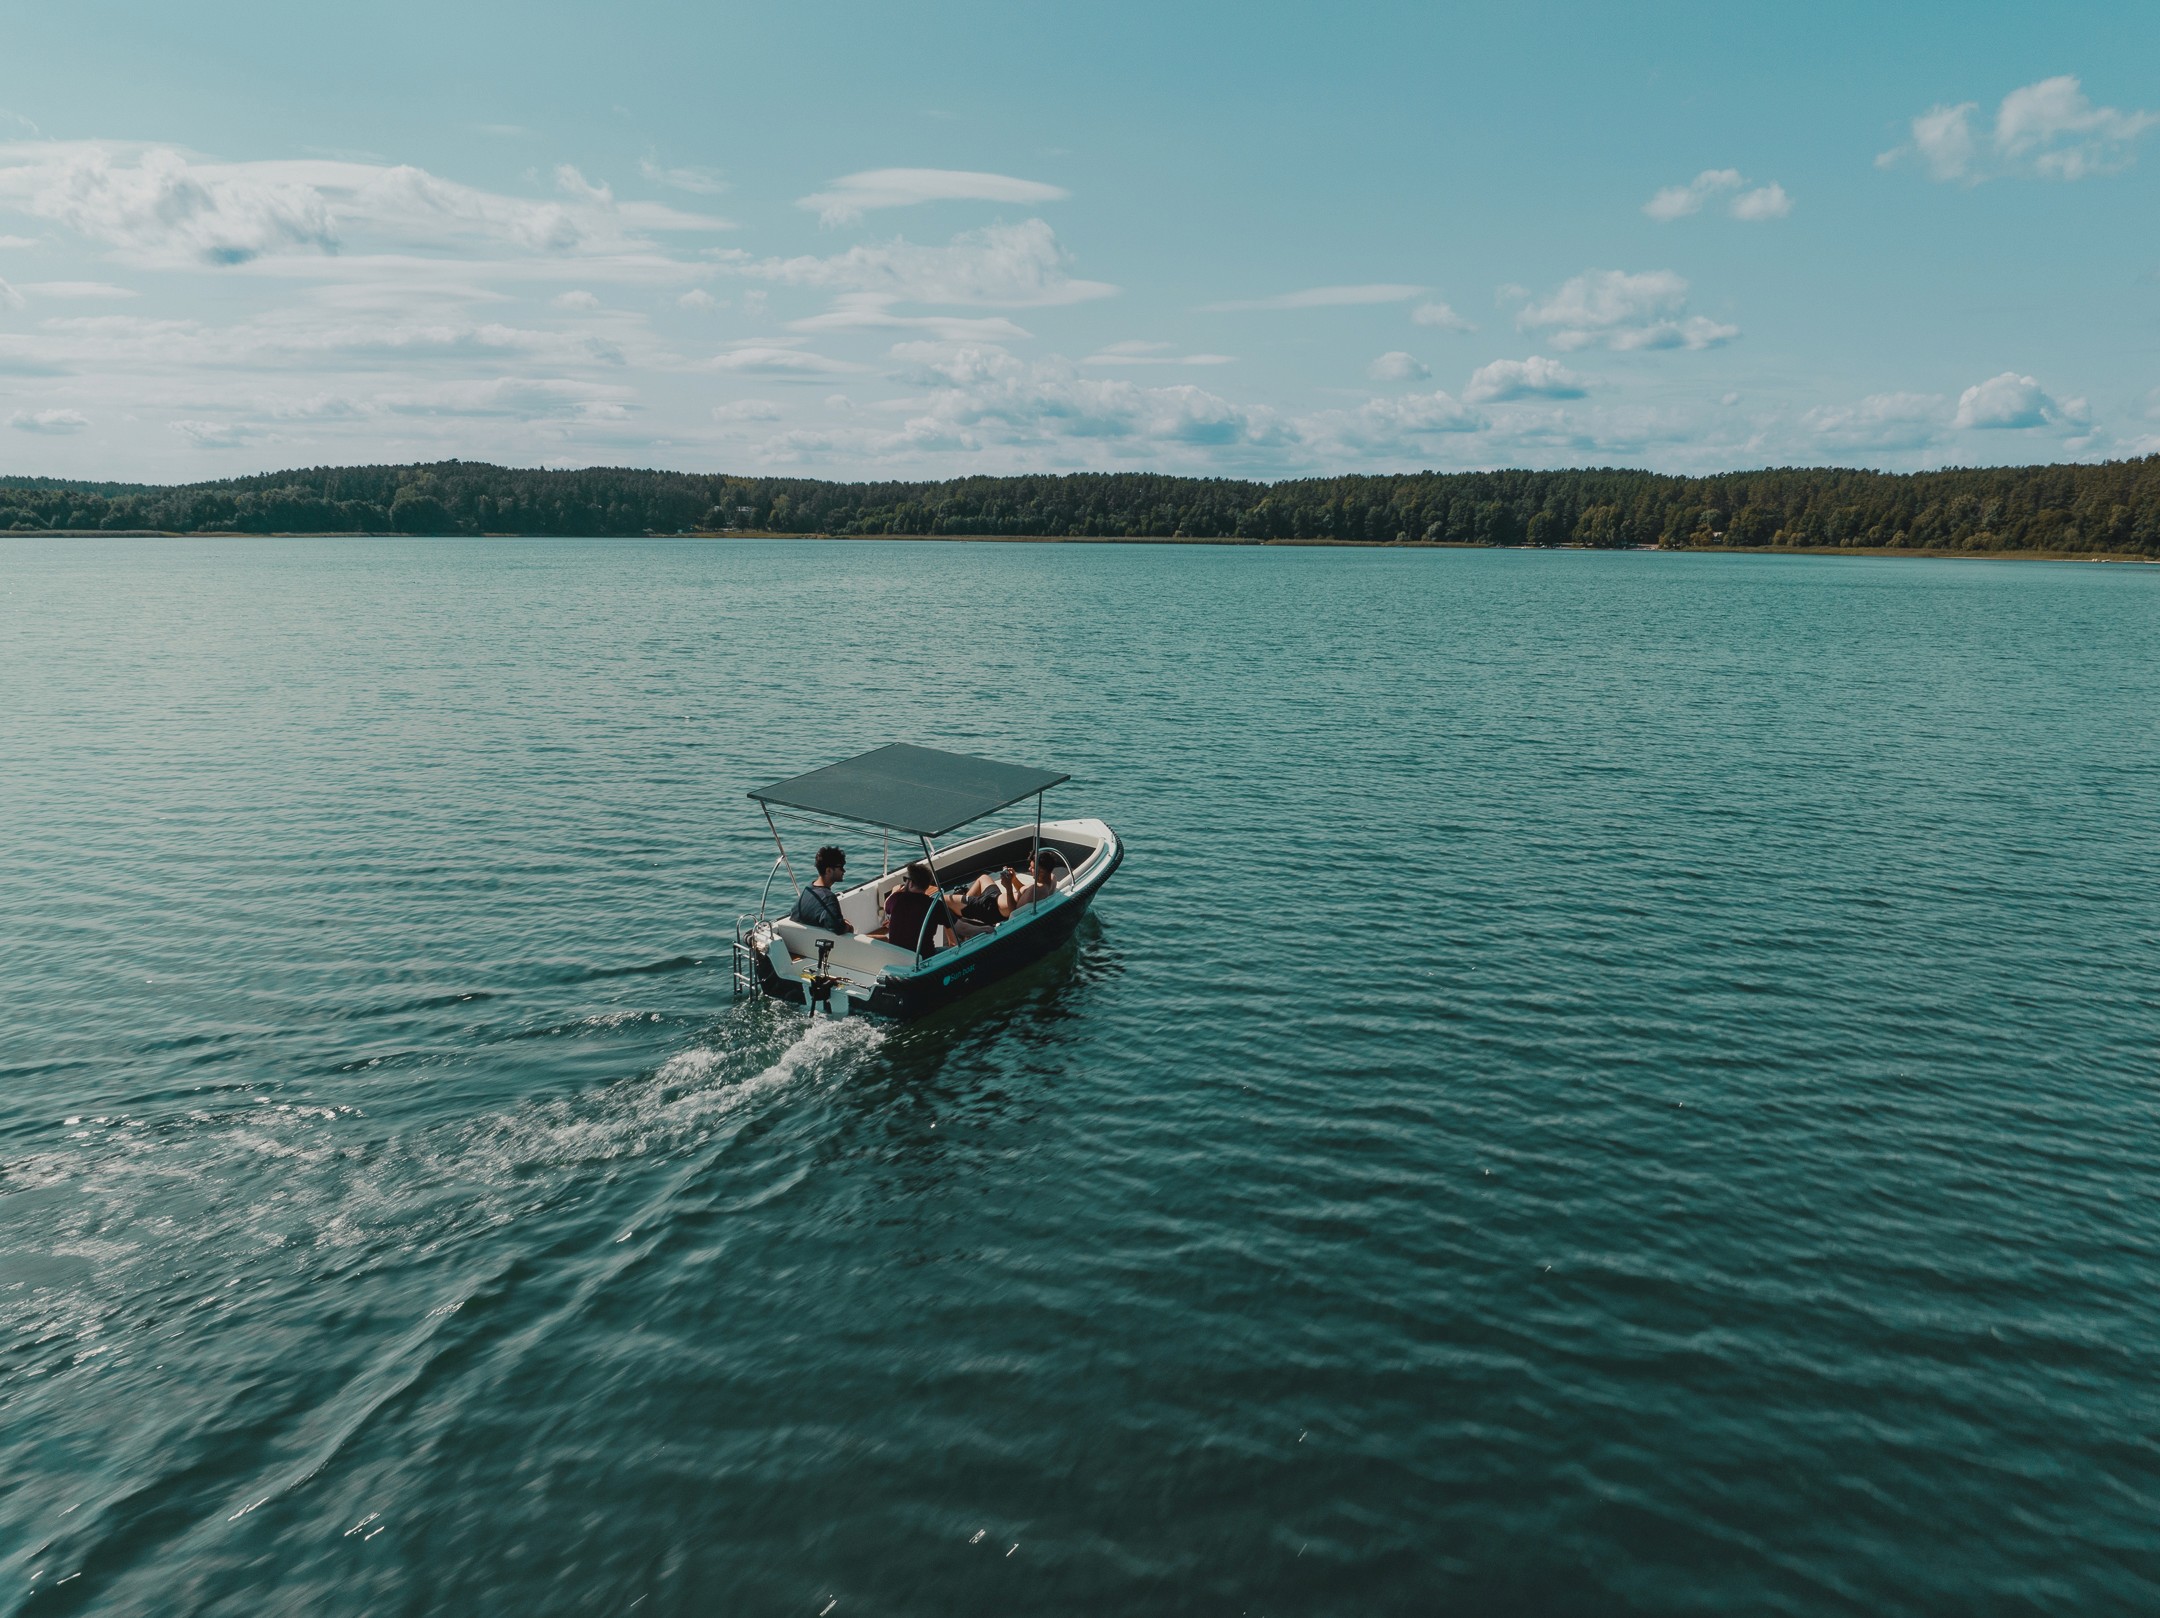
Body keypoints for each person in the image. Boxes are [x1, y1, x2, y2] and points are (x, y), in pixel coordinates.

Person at [870, 862, 949, 956]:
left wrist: (895, 892)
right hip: (924, 959)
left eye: (905, 880)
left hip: (897, 957)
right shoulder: (935, 905)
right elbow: (960, 927)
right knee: (950, 949)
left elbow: (886, 905)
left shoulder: (895, 899)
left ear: (910, 883)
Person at [787, 846, 853, 933]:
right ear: (829, 870)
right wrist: (848, 926)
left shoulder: (808, 890)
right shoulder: (828, 898)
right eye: (841, 867)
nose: (844, 871)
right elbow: (839, 929)